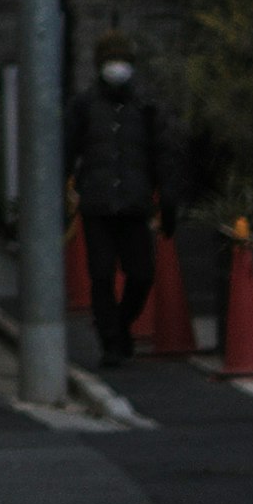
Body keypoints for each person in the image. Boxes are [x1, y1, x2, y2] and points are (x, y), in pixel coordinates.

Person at [70, 41, 176, 369]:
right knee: (100, 275)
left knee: (141, 274)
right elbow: (68, 149)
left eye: (122, 60)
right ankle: (111, 343)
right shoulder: (84, 105)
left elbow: (163, 155)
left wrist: (168, 201)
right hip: (97, 205)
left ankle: (120, 324)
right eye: (111, 60)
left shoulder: (145, 107)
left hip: (134, 203)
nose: (117, 66)